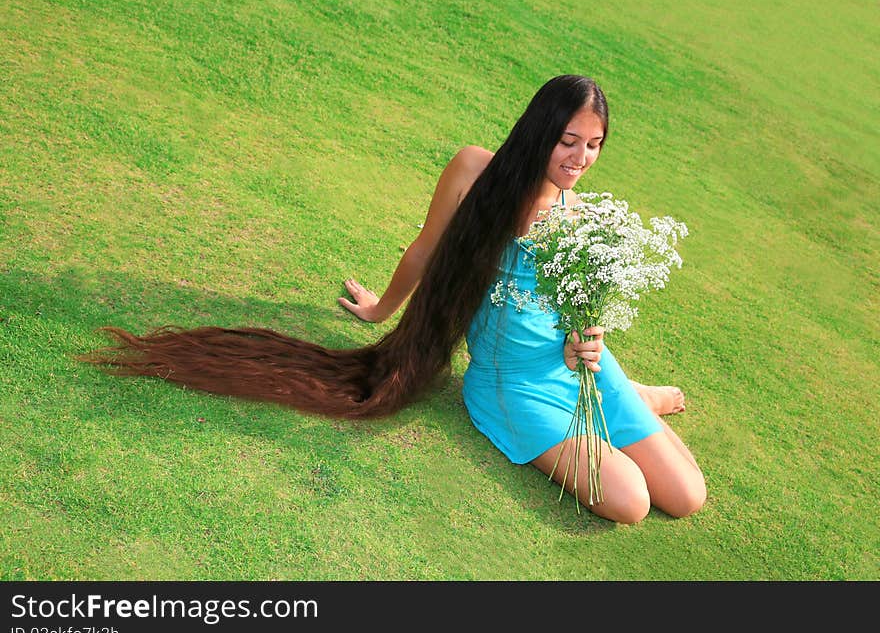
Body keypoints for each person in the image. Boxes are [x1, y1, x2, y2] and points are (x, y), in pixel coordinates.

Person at [82, 75, 705, 523]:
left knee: (688, 497)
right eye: (569, 141)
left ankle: (634, 393)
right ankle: (630, 408)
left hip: (579, 368)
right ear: (540, 132)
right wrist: (381, 309)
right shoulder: (474, 172)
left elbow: (581, 301)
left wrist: (586, 339)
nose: (580, 159)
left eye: (594, 146)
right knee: (631, 503)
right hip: (512, 384)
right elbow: (427, 248)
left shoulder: (586, 217)